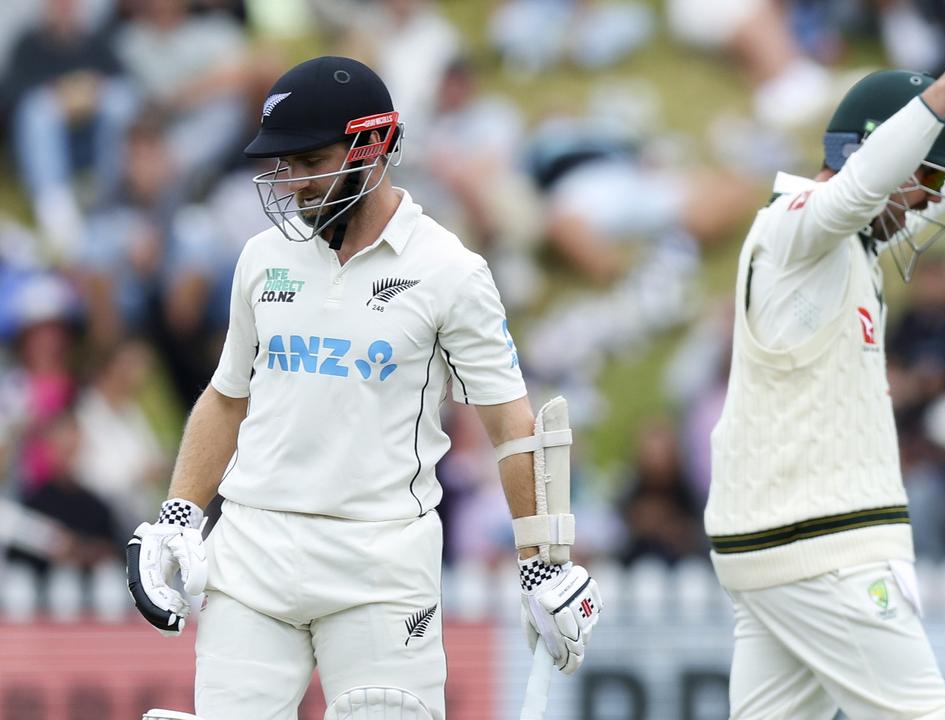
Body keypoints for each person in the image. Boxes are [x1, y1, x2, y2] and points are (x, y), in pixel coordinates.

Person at [122, 57, 601, 719]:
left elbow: (511, 426)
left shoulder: (449, 272)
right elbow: (227, 397)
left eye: (309, 162)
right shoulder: (264, 257)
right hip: (252, 556)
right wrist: (179, 514)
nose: (291, 185)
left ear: (371, 149)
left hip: (379, 569)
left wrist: (540, 561)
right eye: (282, 165)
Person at [704, 35, 945, 718]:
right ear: (866, 152)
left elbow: (910, 185)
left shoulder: (843, 250)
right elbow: (868, 183)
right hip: (821, 544)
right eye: (920, 179)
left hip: (781, 544)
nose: (926, 201)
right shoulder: (793, 231)